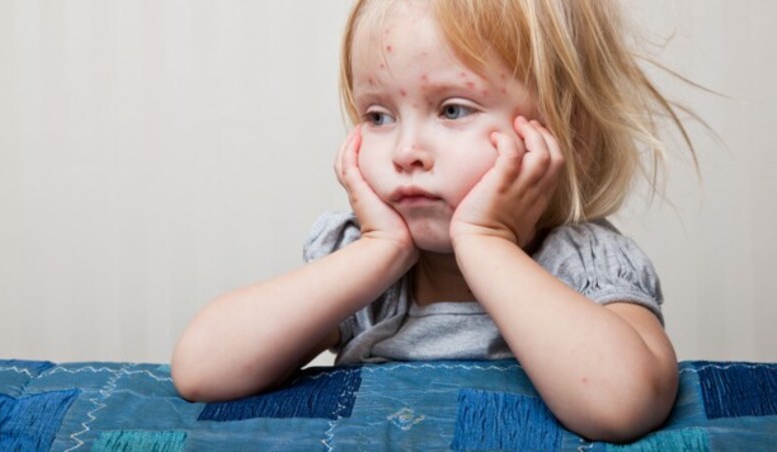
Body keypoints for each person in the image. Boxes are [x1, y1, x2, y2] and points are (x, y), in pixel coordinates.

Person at [172, 0, 697, 442]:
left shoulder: (582, 263)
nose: (406, 151)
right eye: (378, 116)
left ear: (565, 134)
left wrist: (487, 243)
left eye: (452, 110)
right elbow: (201, 371)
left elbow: (625, 405)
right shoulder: (368, 276)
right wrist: (378, 251)